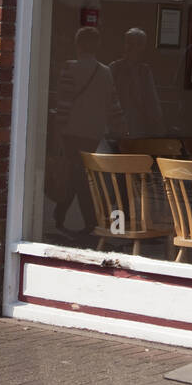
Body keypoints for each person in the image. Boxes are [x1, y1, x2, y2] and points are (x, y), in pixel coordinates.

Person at [51, 26, 124, 238]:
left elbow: (63, 103)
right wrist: (121, 127)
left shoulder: (69, 68)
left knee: (77, 176)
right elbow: (113, 104)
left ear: (78, 44)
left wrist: (58, 129)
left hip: (72, 131)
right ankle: (66, 214)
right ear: (97, 45)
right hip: (94, 132)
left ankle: (85, 218)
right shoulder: (105, 71)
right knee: (80, 174)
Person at [110, 27, 166, 138]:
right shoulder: (114, 68)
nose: (128, 47)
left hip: (137, 125)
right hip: (117, 125)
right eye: (128, 42)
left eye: (132, 43)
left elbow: (152, 100)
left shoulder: (144, 71)